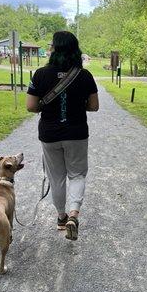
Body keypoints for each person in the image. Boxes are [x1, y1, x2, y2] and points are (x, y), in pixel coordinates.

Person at [26, 31, 99, 240]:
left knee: (56, 177)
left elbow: (31, 106)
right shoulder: (84, 76)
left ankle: (60, 217)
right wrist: (77, 104)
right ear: (76, 50)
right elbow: (94, 106)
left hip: (49, 134)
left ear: (53, 49)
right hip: (76, 133)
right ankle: (74, 214)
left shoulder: (40, 74)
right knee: (77, 175)